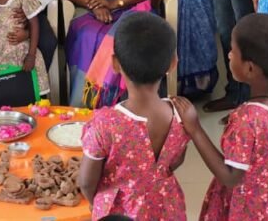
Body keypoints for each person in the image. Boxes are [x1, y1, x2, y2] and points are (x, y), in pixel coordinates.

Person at [170, 14, 268, 221]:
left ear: (250, 68)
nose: (229, 55)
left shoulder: (248, 118)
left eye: (232, 51)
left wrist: (194, 128)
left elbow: (230, 177)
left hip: (250, 208)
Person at [78, 12, 188, 220]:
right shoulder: (181, 114)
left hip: (119, 212)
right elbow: (176, 161)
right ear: (173, 63)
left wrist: (96, 203)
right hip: (168, 208)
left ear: (116, 63)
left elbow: (86, 182)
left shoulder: (105, 123)